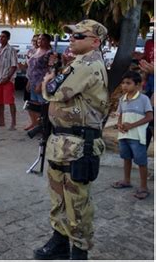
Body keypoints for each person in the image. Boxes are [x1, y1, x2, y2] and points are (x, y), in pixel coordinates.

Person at [34, 20, 109, 260]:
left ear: (95, 42)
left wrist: (47, 83)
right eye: (72, 35)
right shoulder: (77, 63)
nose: (72, 39)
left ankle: (78, 251)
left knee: (77, 204)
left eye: (78, 35)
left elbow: (52, 91)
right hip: (64, 142)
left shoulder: (87, 65)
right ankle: (59, 241)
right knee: (58, 197)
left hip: (78, 145)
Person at [111, 71, 153, 199]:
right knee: (126, 158)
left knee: (141, 161)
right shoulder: (122, 100)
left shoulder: (143, 99)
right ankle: (126, 180)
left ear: (138, 85)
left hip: (137, 136)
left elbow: (150, 116)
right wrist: (119, 124)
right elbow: (121, 115)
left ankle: (144, 187)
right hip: (124, 135)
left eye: (128, 83)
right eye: (123, 83)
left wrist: (132, 125)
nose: (124, 86)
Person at [24, 34, 52, 130]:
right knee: (34, 104)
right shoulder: (35, 51)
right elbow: (31, 68)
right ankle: (36, 124)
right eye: (39, 39)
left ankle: (45, 127)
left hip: (42, 83)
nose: (40, 40)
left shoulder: (49, 53)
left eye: (43, 39)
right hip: (32, 82)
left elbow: (49, 70)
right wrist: (29, 82)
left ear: (48, 41)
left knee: (43, 106)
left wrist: (41, 84)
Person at [0, 30, 18, 130]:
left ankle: (13, 123)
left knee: (10, 101)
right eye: (0, 36)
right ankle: (1, 120)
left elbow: (14, 66)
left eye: (3, 37)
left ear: (8, 38)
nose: (1, 38)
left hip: (7, 80)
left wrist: (7, 78)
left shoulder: (11, 50)